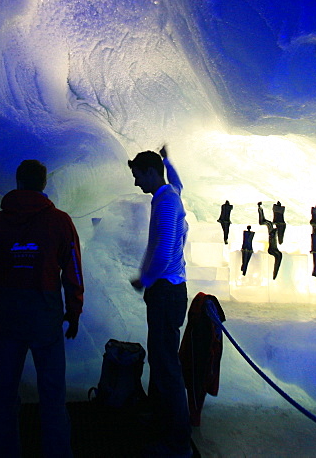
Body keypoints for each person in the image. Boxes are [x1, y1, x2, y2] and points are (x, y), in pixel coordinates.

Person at [0, 160, 84, 458]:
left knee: (6, 388)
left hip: (11, 315)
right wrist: (74, 311)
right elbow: (73, 270)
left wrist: (1, 300)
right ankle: (57, 451)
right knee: (52, 391)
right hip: (45, 314)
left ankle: (6, 449)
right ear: (44, 183)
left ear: (18, 182)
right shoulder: (60, 221)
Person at [128, 147, 192, 457]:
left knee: (167, 366)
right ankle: (159, 416)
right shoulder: (171, 193)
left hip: (165, 291)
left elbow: (165, 248)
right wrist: (167, 159)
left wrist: (146, 280)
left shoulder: (166, 202)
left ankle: (177, 442)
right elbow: (178, 182)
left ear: (150, 173)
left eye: (137, 175)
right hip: (170, 290)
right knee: (161, 358)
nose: (136, 183)